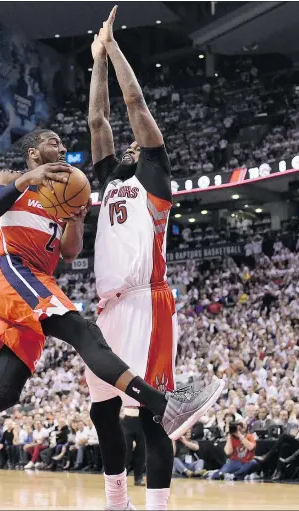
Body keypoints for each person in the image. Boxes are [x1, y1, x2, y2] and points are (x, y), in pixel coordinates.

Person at [0, 134, 222, 491]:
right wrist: (27, 179)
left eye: (61, 145)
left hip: (37, 282)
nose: (61, 148)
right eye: (53, 142)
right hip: (13, 271)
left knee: (5, 392)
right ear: (33, 153)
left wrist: (75, 219)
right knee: (84, 332)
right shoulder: (12, 178)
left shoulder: (58, 199)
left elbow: (70, 253)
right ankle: (162, 404)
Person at [84, 6, 223, 510]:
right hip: (109, 307)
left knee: (149, 416)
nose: (122, 147)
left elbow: (133, 102)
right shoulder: (110, 181)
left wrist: (115, 47)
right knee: (103, 413)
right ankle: (116, 501)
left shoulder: (155, 176)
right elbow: (97, 117)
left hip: (149, 302)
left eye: (133, 146)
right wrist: (97, 59)